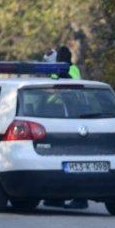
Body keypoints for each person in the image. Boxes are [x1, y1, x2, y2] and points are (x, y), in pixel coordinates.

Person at [43, 46, 88, 210]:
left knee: (76, 161)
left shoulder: (70, 70)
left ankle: (80, 199)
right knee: (60, 163)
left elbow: (71, 84)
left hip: (73, 118)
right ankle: (57, 198)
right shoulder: (60, 70)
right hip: (59, 119)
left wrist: (60, 73)